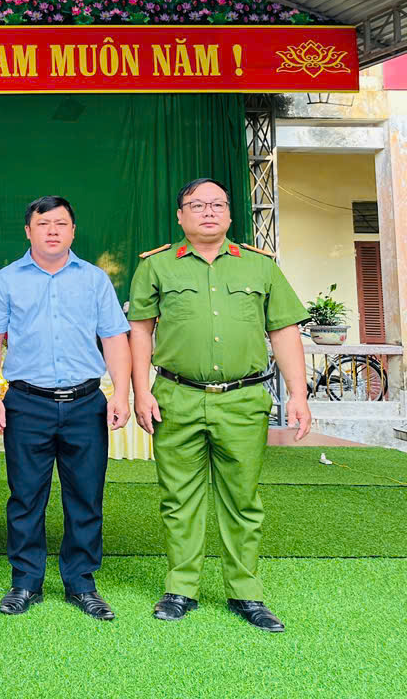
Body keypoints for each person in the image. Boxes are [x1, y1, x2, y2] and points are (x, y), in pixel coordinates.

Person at [128, 178, 311, 632]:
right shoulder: (156, 267)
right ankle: (181, 589)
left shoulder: (260, 266)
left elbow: (284, 331)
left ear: (230, 214)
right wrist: (140, 390)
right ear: (180, 216)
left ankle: (246, 593)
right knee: (178, 499)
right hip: (176, 397)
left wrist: (299, 394)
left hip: (242, 400)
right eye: (197, 205)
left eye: (217, 205)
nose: (208, 212)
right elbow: (140, 331)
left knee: (243, 500)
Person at [0, 195, 132, 620]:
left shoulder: (95, 280)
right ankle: (25, 581)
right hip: (27, 403)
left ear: (73, 231)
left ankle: (81, 582)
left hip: (85, 404)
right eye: (43, 223)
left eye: (61, 223)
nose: (52, 230)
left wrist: (121, 393)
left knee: (86, 496)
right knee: (26, 497)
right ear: (28, 231)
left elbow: (114, 338)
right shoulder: (7, 281)